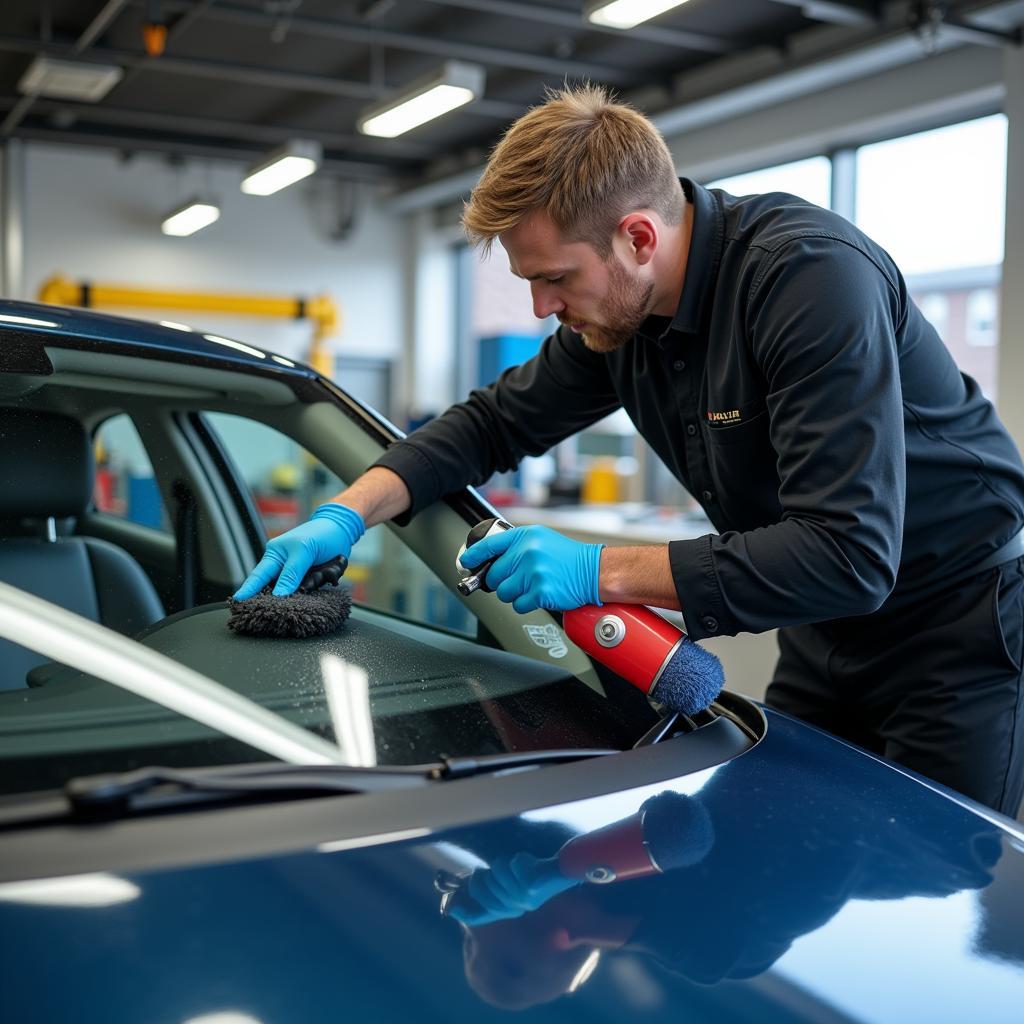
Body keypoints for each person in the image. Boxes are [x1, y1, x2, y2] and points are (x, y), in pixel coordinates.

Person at [234, 85, 1024, 816]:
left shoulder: (808, 280)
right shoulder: (617, 320)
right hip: (825, 631)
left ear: (637, 237)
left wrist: (596, 569)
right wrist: (345, 512)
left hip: (958, 630)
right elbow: (489, 426)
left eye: (554, 279)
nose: (544, 307)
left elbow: (848, 552)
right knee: (768, 850)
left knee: (937, 894)